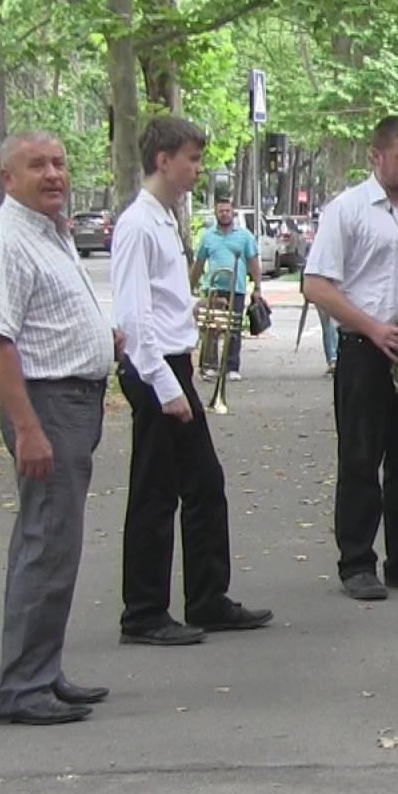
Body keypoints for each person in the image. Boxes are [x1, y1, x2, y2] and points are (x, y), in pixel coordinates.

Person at [0, 132, 117, 725]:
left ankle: (42, 671)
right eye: (37, 166)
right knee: (47, 544)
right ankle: (23, 688)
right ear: (8, 178)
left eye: (59, 162)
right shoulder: (5, 243)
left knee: (55, 543)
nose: (53, 174)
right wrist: (28, 428)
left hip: (75, 403)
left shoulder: (49, 233)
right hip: (48, 407)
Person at [111, 117, 273, 646]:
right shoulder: (138, 224)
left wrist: (194, 307)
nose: (198, 169)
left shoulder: (166, 218)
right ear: (163, 160)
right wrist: (165, 386)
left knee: (204, 485)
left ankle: (206, 597)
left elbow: (162, 298)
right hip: (155, 369)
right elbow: (134, 317)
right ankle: (143, 612)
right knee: (157, 493)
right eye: (192, 159)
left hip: (173, 361)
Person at [302, 116, 398, 601]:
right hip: (365, 349)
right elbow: (315, 285)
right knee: (361, 458)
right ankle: (357, 564)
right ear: (376, 156)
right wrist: (373, 327)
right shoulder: (345, 210)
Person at [191, 199, 262, 382]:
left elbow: (254, 263)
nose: (224, 214)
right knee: (211, 327)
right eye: (221, 211)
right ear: (216, 213)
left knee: (233, 328)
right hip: (213, 288)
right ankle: (209, 365)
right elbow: (199, 263)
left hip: (235, 288)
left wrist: (257, 287)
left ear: (233, 212)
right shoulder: (208, 236)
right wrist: (191, 285)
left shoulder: (245, 236)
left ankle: (231, 366)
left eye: (227, 211)